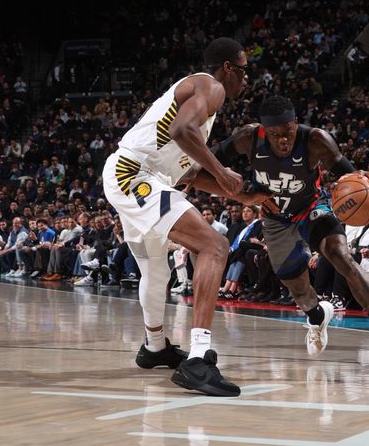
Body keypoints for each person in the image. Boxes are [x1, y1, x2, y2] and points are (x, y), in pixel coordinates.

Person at [102, 37, 271, 397]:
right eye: (243, 71)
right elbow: (183, 132)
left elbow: (191, 176)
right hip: (135, 176)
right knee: (215, 245)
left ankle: (155, 347)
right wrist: (223, 169)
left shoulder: (199, 106)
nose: (245, 80)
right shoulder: (210, 87)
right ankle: (198, 359)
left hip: (134, 176)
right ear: (228, 68)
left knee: (156, 269)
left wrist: (244, 194)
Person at [192, 95, 369, 365]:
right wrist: (245, 195)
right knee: (297, 286)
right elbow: (204, 164)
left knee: (341, 255)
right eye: (275, 135)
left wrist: (362, 179)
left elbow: (347, 172)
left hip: (312, 207)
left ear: (296, 124)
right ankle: (317, 317)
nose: (283, 140)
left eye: (288, 132)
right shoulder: (248, 138)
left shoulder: (316, 140)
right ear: (264, 130)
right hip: (275, 218)